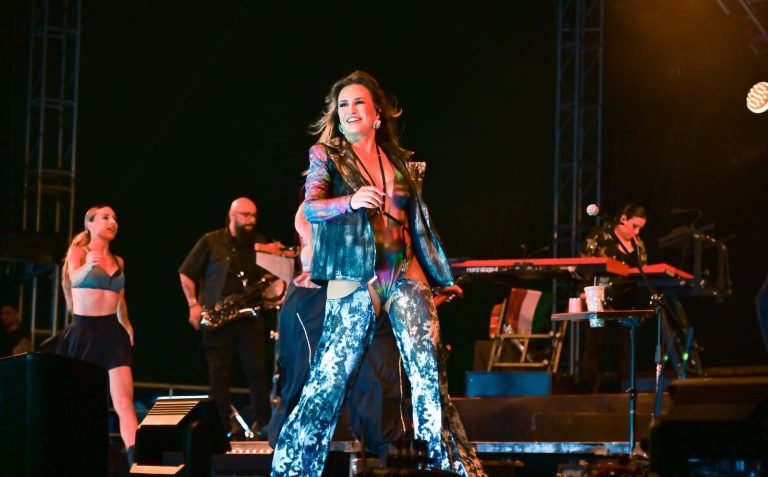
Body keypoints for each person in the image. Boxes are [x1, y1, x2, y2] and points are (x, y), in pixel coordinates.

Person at [271, 71, 484, 477]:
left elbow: (417, 227)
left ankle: (445, 468)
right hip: (356, 274)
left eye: (359, 102)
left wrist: (439, 279)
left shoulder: (401, 163)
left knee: (429, 377)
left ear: (378, 115)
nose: (350, 110)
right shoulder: (327, 155)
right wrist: (350, 201)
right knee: (329, 381)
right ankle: (294, 470)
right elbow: (311, 208)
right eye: (343, 104)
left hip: (404, 271)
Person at [267, 201, 412, 454]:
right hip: (319, 291)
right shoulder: (324, 206)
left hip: (336, 287)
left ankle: (380, 439)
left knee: (371, 358)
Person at [179, 197, 284, 436]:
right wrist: (193, 304)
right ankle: (220, 429)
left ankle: (264, 426)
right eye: (246, 215)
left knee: (257, 371)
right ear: (231, 216)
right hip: (219, 319)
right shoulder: (211, 240)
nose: (251, 220)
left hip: (249, 317)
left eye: (254, 215)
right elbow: (186, 273)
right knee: (219, 374)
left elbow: (273, 280)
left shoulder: (260, 242)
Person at [56, 205, 138, 463]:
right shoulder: (79, 252)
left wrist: (126, 324)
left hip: (112, 332)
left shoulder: (118, 261)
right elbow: (74, 279)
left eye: (115, 218)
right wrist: (88, 266)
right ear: (90, 224)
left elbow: (119, 298)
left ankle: (136, 458)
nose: (112, 222)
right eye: (105, 217)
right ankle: (76, 457)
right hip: (85, 331)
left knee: (124, 401)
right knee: (82, 402)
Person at [580, 203, 648, 392]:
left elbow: (643, 272)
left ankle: (628, 391)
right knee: (594, 344)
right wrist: (584, 290)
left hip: (625, 301)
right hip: (596, 299)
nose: (637, 232)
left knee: (625, 347)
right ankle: (588, 392)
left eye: (640, 228)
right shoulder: (599, 236)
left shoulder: (638, 245)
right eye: (634, 226)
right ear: (623, 219)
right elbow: (583, 264)